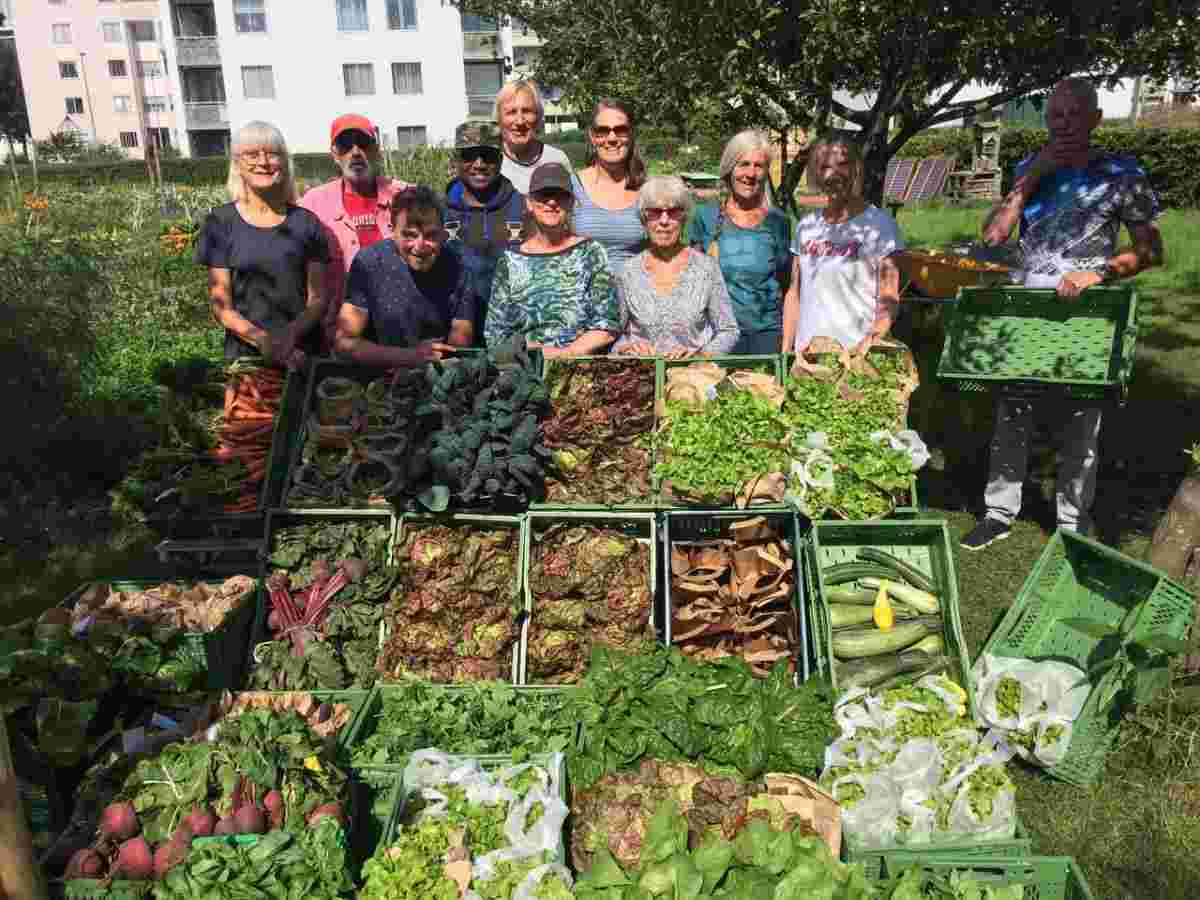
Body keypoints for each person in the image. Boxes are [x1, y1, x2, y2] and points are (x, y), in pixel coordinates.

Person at [962, 77, 1164, 549]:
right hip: (1026, 312)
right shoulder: (1031, 167)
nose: (1065, 125)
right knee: (1013, 411)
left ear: (1094, 119)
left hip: (1089, 313)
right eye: (1056, 116)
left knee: (1082, 419)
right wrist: (1029, 181)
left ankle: (1073, 521)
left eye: (1075, 115)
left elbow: (1151, 251)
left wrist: (1102, 274)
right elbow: (992, 238)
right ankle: (998, 512)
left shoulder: (1121, 173)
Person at [196, 120, 328, 370]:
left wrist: (288, 337)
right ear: (237, 164)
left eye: (272, 154)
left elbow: (318, 299)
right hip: (247, 359)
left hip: (303, 355)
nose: (263, 162)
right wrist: (263, 340)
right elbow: (221, 306)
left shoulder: (306, 223)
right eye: (251, 155)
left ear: (284, 162)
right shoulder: (220, 223)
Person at [782, 132, 904, 358]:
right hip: (807, 357)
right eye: (825, 166)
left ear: (857, 168)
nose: (833, 174)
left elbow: (889, 295)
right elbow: (794, 293)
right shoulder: (806, 227)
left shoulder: (880, 226)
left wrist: (873, 339)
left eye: (843, 165)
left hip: (856, 355)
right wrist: (786, 349)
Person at [300, 114, 411, 350]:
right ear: (334, 154)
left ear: (376, 149)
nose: (356, 152)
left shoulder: (404, 195)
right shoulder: (313, 204)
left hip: (400, 330)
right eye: (345, 145)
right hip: (338, 334)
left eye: (363, 143)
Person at [484, 163, 618, 357]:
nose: (552, 202)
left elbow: (607, 324)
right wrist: (536, 355)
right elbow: (495, 334)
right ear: (529, 203)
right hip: (524, 368)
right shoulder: (510, 261)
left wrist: (566, 354)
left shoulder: (591, 253)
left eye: (560, 196)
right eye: (543, 195)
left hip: (578, 366)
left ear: (571, 203)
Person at [335, 186, 475, 367]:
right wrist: (410, 357)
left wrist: (440, 362)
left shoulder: (459, 266)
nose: (420, 246)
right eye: (409, 235)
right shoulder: (368, 264)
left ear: (443, 232)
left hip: (439, 372)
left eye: (431, 235)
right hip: (381, 375)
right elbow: (344, 342)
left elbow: (461, 337)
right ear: (392, 231)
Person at [689, 130, 792, 354]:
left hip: (766, 334)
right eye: (743, 164)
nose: (751, 173)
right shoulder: (705, 218)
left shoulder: (778, 222)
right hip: (716, 335)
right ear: (729, 169)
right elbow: (691, 283)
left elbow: (787, 284)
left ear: (766, 172)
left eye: (759, 166)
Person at [614, 175, 739, 357]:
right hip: (641, 377)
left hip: (692, 377)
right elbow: (613, 335)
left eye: (673, 212)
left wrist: (700, 355)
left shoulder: (706, 269)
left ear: (684, 218)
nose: (664, 221)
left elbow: (729, 331)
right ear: (644, 219)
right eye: (655, 213)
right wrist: (627, 349)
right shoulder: (627, 273)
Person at [444, 121, 526, 344]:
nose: (479, 164)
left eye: (488, 155)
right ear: (456, 160)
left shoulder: (523, 207)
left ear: (500, 160)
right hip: (456, 333)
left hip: (512, 333)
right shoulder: (439, 212)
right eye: (470, 155)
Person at [571, 98, 646, 278]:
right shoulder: (571, 187)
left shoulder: (647, 190)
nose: (612, 138)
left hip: (635, 297)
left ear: (631, 134)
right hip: (584, 299)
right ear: (591, 135)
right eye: (602, 131)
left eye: (620, 130)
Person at [494, 79, 574, 195]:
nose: (520, 121)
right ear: (499, 119)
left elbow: (573, 207)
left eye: (527, 111)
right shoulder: (489, 163)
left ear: (538, 117)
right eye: (511, 112)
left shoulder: (557, 159)